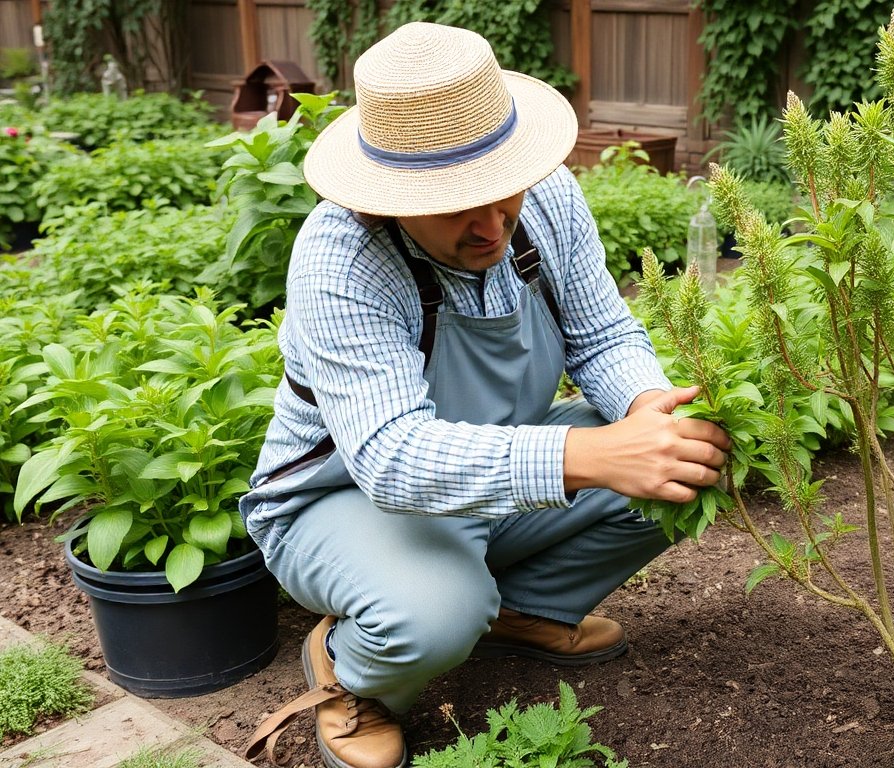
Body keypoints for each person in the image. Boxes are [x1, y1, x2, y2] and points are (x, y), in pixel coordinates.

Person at [240, 22, 730, 768]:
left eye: (505, 189)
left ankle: (524, 612)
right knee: (435, 614)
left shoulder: (550, 200)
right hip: (341, 500)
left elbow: (604, 336)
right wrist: (589, 451)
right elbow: (391, 459)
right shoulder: (342, 259)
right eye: (456, 203)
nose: (493, 222)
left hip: (489, 478)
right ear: (390, 197)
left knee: (681, 458)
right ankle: (354, 674)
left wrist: (644, 409)